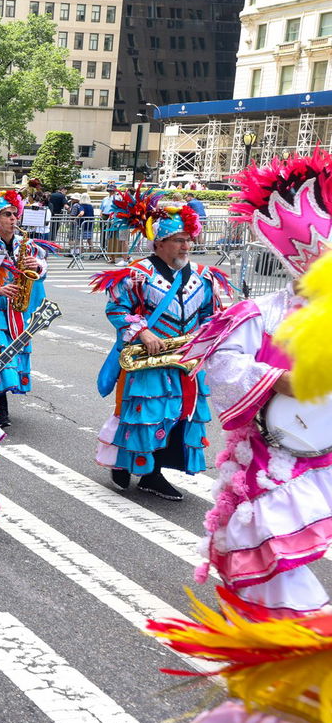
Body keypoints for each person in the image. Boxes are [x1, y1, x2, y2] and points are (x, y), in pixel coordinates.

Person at [138, 249, 332, 723]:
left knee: (288, 664)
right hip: (264, 496)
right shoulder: (257, 314)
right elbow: (223, 378)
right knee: (292, 642)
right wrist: (282, 382)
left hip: (320, 483)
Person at [181, 152, 332, 617]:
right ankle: (288, 637)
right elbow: (222, 368)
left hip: (325, 454)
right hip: (270, 453)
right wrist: (277, 381)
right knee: (262, 544)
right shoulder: (261, 312)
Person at [91, 192, 228, 500]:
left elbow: (212, 315)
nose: (186, 246)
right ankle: (136, 467)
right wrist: (142, 332)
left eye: (188, 239)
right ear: (159, 243)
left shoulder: (204, 277)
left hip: (186, 361)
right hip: (150, 359)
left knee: (180, 415)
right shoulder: (137, 274)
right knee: (145, 413)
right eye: (179, 239)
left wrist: (206, 337)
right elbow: (117, 309)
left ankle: (155, 471)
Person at [0, 189, 55, 427]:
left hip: (17, 311)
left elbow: (42, 267)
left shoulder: (24, 244)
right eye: (6, 214)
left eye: (14, 214)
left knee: (10, 358)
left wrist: (35, 265)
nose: (13, 219)